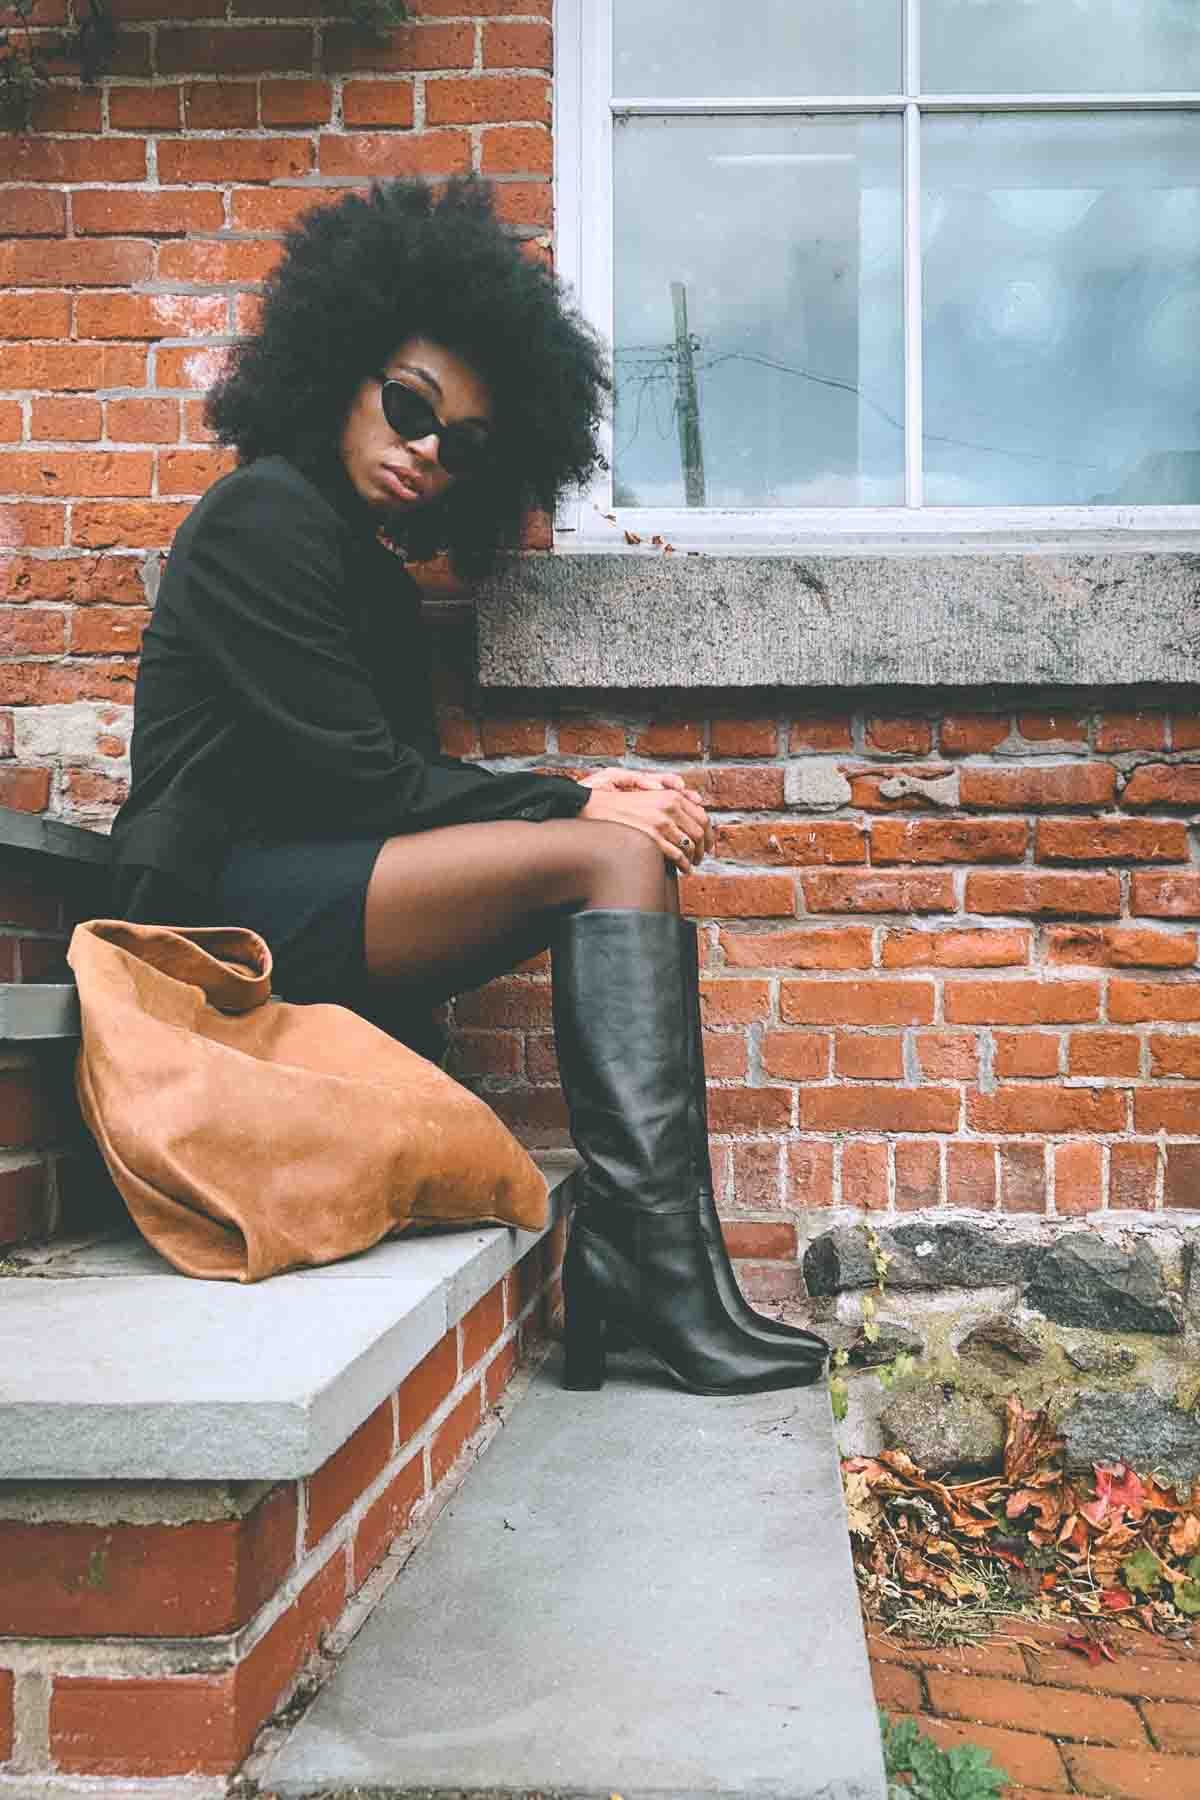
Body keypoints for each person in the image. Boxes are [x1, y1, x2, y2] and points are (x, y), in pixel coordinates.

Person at [110, 177, 826, 1396]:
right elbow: (362, 779)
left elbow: (404, 784)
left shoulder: (369, 571)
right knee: (612, 850)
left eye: (465, 445)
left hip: (316, 886)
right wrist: (572, 804)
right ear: (337, 372)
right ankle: (649, 1268)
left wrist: (573, 794)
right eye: (408, 406)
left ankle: (663, 1262)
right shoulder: (257, 518)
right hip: (216, 914)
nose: (427, 450)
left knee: (620, 849)